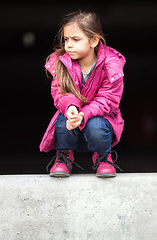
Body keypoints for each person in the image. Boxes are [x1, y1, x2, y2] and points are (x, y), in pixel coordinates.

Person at [39, 10, 125, 178]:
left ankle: (103, 158)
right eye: (66, 39)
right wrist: (70, 107)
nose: (68, 45)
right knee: (63, 120)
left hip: (100, 118)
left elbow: (108, 99)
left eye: (75, 39)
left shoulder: (112, 65)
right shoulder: (61, 62)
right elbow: (60, 92)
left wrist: (84, 114)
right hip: (72, 120)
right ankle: (63, 157)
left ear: (94, 40)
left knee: (96, 125)